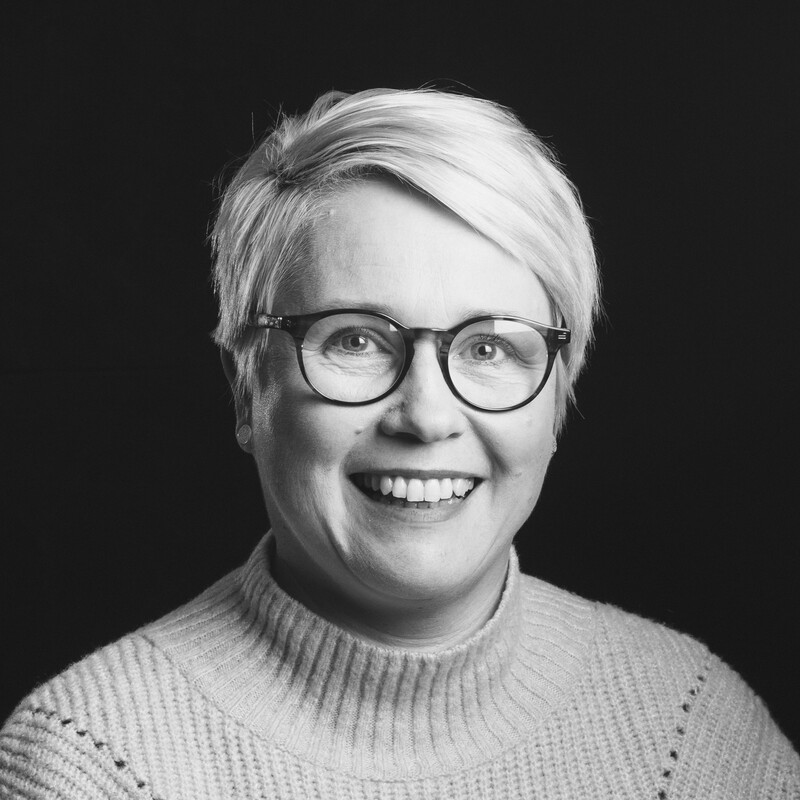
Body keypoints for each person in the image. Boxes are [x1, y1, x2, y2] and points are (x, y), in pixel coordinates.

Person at [1, 87, 797, 799]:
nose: (425, 415)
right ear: (247, 389)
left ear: (559, 396)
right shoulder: (91, 765)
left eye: (489, 347)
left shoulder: (693, 728)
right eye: (355, 340)